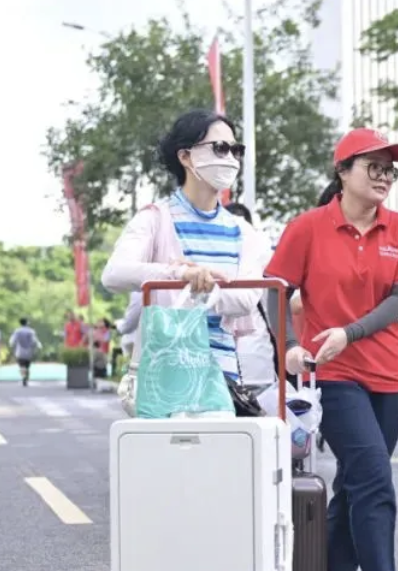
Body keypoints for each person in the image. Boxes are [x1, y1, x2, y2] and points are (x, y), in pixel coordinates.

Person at [264, 127, 398, 571]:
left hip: (388, 375)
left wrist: (350, 331)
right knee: (375, 482)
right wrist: (288, 345)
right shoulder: (308, 228)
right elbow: (272, 294)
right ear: (343, 172)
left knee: (355, 490)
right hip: (333, 376)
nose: (384, 177)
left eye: (390, 170)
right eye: (373, 167)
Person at [100, 109, 270, 416]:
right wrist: (179, 273)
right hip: (166, 374)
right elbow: (114, 274)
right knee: (168, 461)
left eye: (236, 150)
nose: (230, 158)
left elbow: (246, 298)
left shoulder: (244, 232)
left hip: (221, 379)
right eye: (220, 148)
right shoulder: (155, 218)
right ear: (186, 157)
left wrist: (206, 290)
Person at [224, 201, 279, 393]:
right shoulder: (263, 258)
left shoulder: (212, 258)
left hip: (222, 366)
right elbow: (279, 308)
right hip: (257, 361)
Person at [8, 318, 41, 386]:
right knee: (27, 366)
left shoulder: (17, 331)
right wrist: (37, 346)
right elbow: (34, 340)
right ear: (26, 323)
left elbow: (12, 340)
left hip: (19, 351)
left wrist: (11, 345)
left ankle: (23, 377)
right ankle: (26, 378)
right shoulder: (31, 331)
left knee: (21, 366)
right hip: (29, 351)